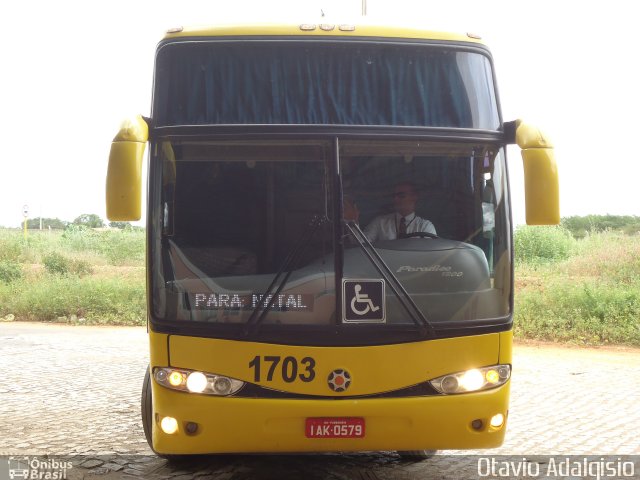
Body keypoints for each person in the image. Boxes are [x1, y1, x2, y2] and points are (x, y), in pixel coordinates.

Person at [344, 182, 436, 242]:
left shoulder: (425, 226)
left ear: (414, 197)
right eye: (394, 196)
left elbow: (431, 255)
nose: (395, 199)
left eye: (401, 196)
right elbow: (361, 244)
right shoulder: (380, 222)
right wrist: (353, 222)